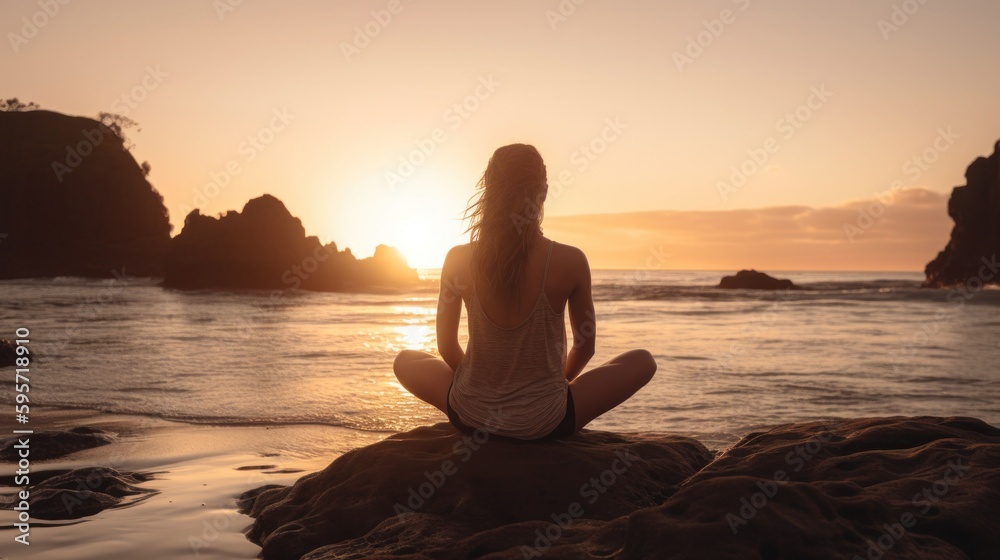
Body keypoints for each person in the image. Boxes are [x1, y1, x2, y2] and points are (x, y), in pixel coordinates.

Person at [393, 143, 656, 441]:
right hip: (547, 422)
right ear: (542, 192)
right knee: (643, 360)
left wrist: (480, 385)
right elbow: (585, 347)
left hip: (470, 416)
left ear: (489, 191)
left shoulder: (457, 258)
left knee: (405, 360)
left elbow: (446, 345)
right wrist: (552, 385)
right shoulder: (571, 260)